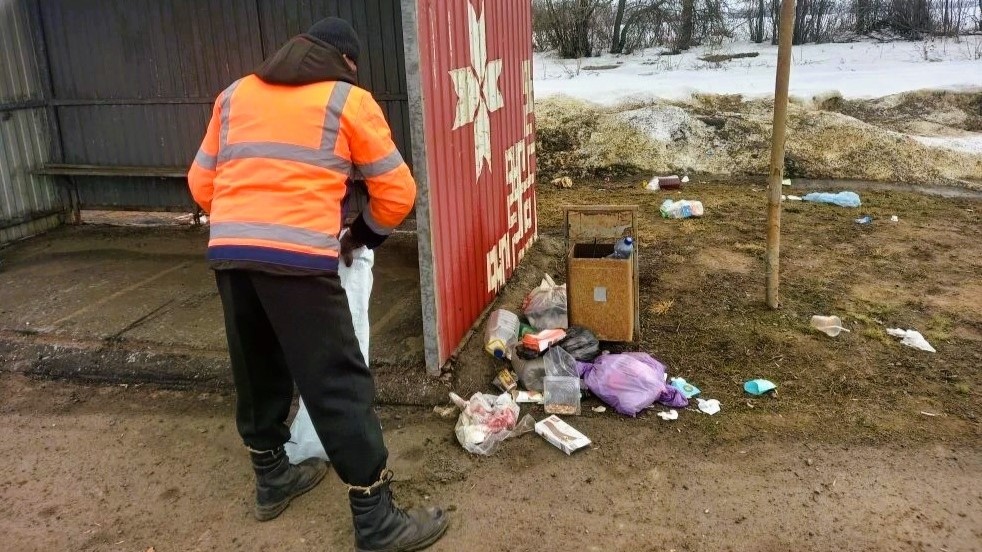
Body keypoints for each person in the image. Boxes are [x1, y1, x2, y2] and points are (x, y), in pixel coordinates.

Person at [187, 17, 448, 552]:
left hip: (231, 253)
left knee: (256, 366)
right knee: (336, 381)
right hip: (300, 262)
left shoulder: (234, 94)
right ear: (347, 62)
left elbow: (200, 184)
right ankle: (376, 518)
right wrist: (359, 236)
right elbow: (398, 192)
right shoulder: (348, 100)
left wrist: (248, 218)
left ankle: (272, 476)